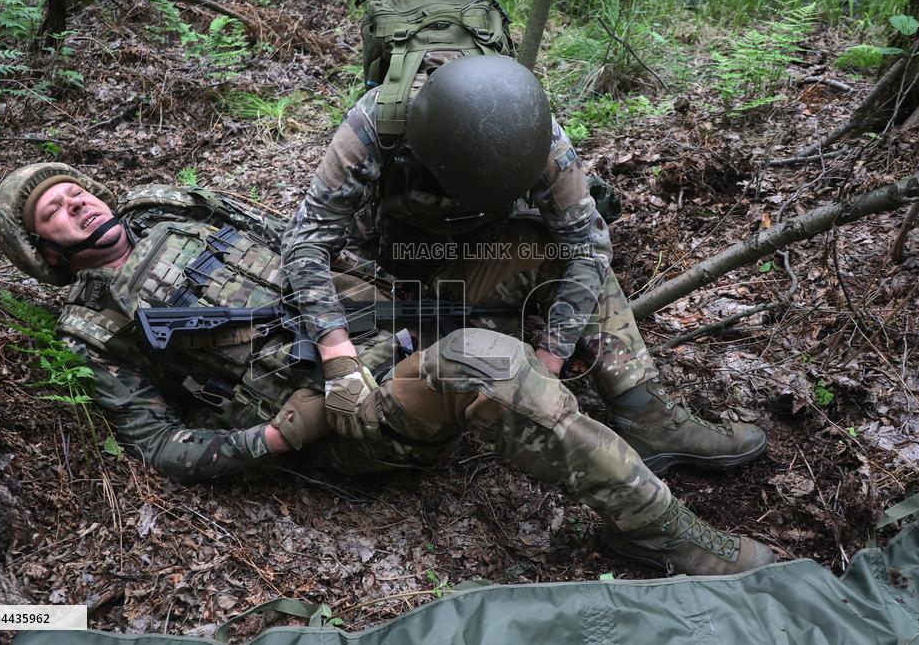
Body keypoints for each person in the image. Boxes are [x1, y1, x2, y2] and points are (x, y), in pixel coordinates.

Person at [0, 162, 776, 576]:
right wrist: (275, 438)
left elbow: (301, 239)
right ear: (43, 251)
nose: (76, 205)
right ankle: (659, 532)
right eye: (53, 211)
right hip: (349, 411)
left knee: (549, 246)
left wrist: (399, 268)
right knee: (482, 361)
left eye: (74, 191)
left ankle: (646, 416)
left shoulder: (171, 206)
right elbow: (162, 446)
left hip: (391, 317)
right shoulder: (93, 326)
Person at [282, 54, 767, 477]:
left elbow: (587, 246)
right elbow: (306, 239)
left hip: (480, 263)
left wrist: (548, 361)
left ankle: (648, 417)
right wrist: (338, 355)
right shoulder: (375, 123)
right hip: (385, 280)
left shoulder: (538, 136)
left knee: (562, 254)